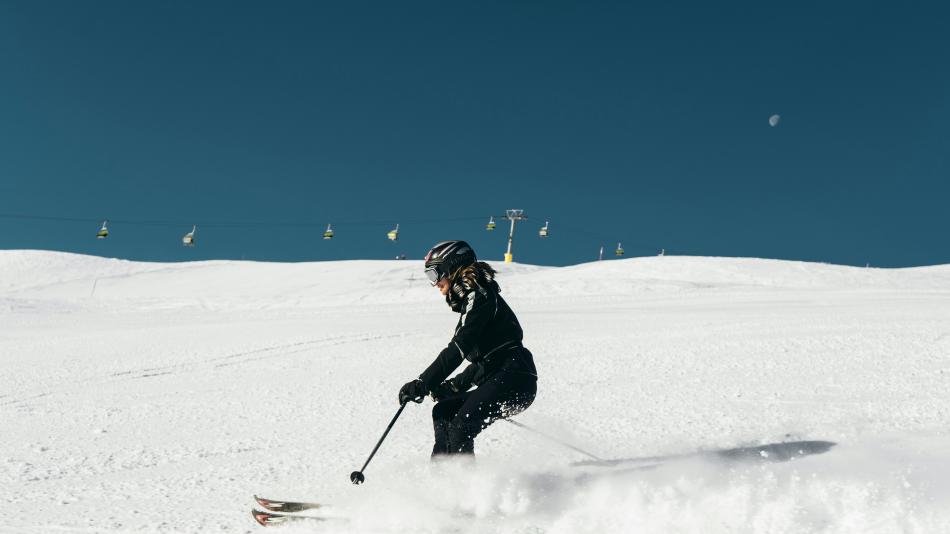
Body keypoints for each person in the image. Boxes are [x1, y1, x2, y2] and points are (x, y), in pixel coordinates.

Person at [398, 240, 538, 457]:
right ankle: (442, 481)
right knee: (444, 412)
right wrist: (453, 387)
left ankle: (464, 485)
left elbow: (459, 347)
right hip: (503, 375)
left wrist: (424, 382)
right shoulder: (474, 300)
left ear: (451, 266)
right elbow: (486, 361)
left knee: (461, 426)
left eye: (434, 275)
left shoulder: (480, 296)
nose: (435, 284)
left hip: (514, 378)